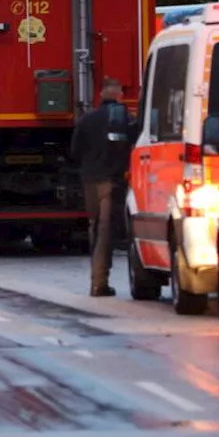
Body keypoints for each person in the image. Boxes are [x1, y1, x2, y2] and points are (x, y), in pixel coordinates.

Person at [70, 77, 135, 297]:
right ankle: (99, 283)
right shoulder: (125, 118)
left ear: (100, 94)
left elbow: (75, 151)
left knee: (95, 227)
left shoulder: (86, 119)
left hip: (90, 181)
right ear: (120, 94)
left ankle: (96, 280)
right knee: (106, 231)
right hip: (112, 180)